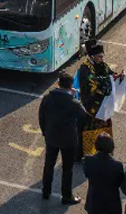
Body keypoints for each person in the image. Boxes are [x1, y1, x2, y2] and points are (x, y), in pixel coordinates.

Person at [39, 72, 88, 205]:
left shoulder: (47, 98)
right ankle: (66, 196)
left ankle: (46, 191)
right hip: (68, 140)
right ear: (71, 86)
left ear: (58, 84)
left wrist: (45, 132)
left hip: (51, 137)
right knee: (67, 168)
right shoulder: (73, 102)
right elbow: (84, 117)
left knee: (49, 165)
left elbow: (41, 117)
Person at [78, 40, 118, 155]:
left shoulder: (102, 65)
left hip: (104, 104)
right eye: (99, 56)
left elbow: (109, 73)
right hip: (92, 106)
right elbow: (89, 87)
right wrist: (102, 89)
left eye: (102, 56)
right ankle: (90, 152)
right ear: (92, 56)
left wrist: (116, 76)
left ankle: (106, 149)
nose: (102, 58)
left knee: (105, 126)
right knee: (91, 128)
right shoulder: (85, 69)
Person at [83, 133, 125, 214]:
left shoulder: (88, 160)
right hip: (111, 204)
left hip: (94, 202)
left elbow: (86, 173)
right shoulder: (117, 165)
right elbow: (119, 182)